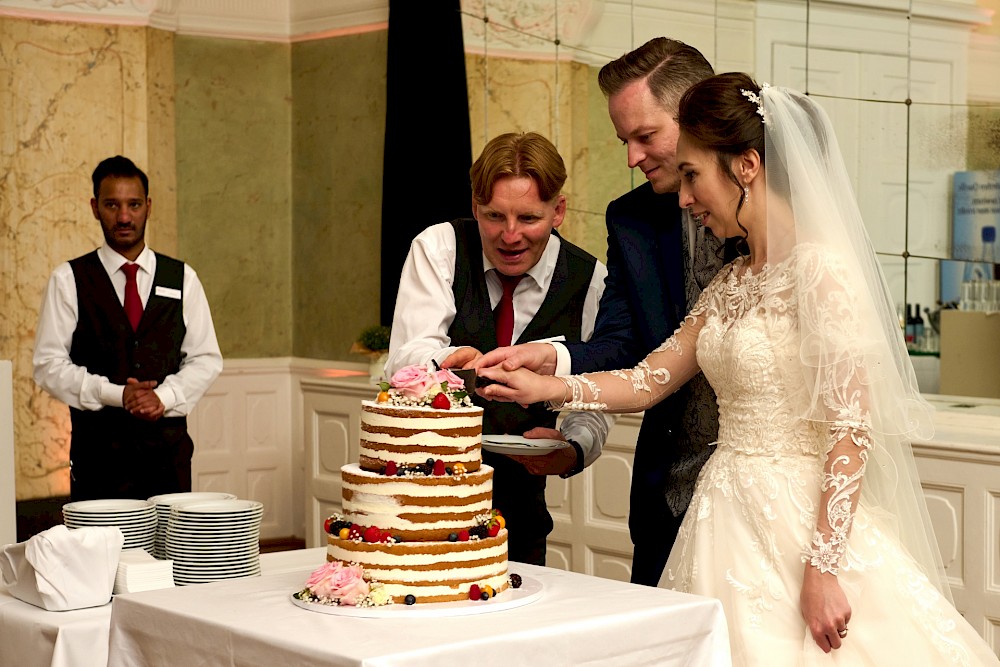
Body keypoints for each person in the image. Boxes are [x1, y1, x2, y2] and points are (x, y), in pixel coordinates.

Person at [478, 73, 1000, 665]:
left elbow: (851, 431)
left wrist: (823, 569)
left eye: (695, 175)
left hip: (799, 529)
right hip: (722, 517)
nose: (684, 196)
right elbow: (648, 380)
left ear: (746, 166)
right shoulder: (731, 282)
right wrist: (546, 383)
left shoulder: (822, 274)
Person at [475, 37, 732, 585]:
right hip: (668, 491)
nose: (632, 157)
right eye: (624, 140)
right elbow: (624, 343)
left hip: (772, 494)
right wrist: (549, 359)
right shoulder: (631, 218)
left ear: (699, 115)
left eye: (645, 136)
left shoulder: (782, 229)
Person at [385, 131, 612, 566]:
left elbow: (593, 390)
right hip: (421, 497)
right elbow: (405, 358)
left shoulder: (590, 281)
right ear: (474, 206)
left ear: (558, 211)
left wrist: (575, 448)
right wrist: (452, 365)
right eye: (494, 216)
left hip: (520, 512)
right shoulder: (440, 248)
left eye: (528, 218)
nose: (510, 236)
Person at [33, 155, 223, 502]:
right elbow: (48, 366)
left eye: (133, 204)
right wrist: (115, 394)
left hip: (170, 461)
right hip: (98, 463)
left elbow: (206, 359)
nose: (123, 217)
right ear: (94, 207)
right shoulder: (68, 279)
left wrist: (162, 398)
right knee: (100, 556)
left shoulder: (182, 278)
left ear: (148, 206)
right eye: (112, 205)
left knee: (172, 554)